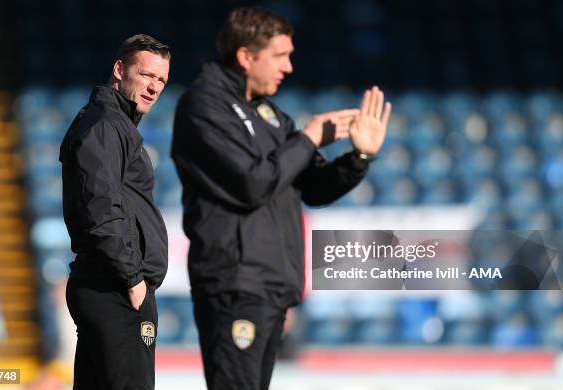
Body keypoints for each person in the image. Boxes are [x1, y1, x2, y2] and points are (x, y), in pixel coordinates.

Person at [171, 7, 391, 390]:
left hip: (269, 284)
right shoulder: (204, 106)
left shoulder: (271, 116)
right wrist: (307, 139)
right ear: (246, 56)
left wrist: (359, 158)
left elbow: (314, 187)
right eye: (280, 56)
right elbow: (252, 183)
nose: (288, 67)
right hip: (235, 281)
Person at [59, 34, 170, 390]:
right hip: (116, 290)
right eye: (147, 75)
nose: (154, 87)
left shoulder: (112, 123)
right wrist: (132, 279)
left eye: (162, 81)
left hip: (109, 286)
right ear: (120, 70)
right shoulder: (106, 124)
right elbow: (101, 207)